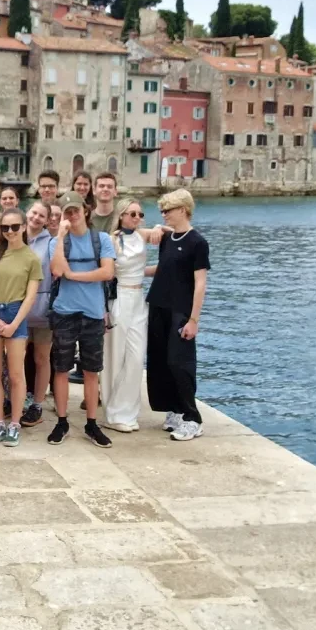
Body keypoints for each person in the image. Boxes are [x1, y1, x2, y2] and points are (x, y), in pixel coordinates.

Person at [48, 192, 115, 449]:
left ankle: (91, 423)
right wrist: (61, 235)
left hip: (93, 313)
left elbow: (107, 272)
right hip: (64, 312)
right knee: (61, 368)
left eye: (75, 210)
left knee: (91, 370)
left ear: (85, 210)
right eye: (67, 212)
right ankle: (62, 421)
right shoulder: (57, 242)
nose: (72, 215)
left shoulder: (102, 239)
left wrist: (74, 275)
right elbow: (57, 270)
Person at [146, 189, 210, 441]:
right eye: (162, 211)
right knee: (160, 361)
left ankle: (193, 418)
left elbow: (200, 283)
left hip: (180, 310)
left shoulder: (198, 243)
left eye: (167, 211)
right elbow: (163, 268)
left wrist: (194, 320)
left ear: (183, 210)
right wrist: (132, 270)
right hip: (158, 305)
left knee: (179, 362)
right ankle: (174, 410)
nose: (163, 215)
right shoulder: (167, 238)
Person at [0, 208, 42, 449]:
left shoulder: (31, 258)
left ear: (24, 227)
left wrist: (14, 323)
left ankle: (14, 423)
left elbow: (30, 296)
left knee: (16, 375)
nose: (10, 231)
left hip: (16, 313)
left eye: (15, 226)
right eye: (5, 227)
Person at [103, 200, 151, 433]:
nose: (137, 217)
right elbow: (106, 275)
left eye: (140, 214)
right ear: (121, 215)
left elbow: (169, 231)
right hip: (119, 297)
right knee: (114, 356)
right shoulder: (111, 240)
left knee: (136, 357)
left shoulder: (142, 236)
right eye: (132, 214)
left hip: (139, 299)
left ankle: (129, 411)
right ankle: (112, 414)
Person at [21, 201, 53, 428]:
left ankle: (37, 404)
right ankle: (15, 398)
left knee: (42, 358)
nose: (36, 218)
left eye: (42, 215)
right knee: (16, 358)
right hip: (17, 307)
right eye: (34, 212)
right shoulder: (15, 236)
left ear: (47, 220)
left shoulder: (51, 243)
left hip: (42, 308)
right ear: (27, 213)